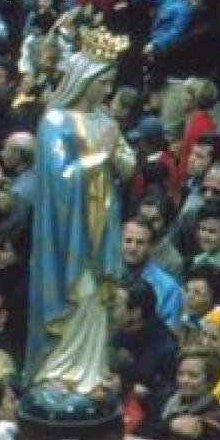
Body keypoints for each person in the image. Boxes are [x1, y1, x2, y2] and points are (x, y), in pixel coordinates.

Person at [28, 22, 134, 360]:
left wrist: (115, 153)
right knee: (79, 292)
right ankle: (62, 365)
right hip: (68, 226)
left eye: (110, 84)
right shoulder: (56, 121)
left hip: (103, 220)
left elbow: (129, 167)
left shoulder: (105, 120)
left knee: (96, 297)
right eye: (102, 83)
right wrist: (100, 155)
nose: (107, 91)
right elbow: (59, 176)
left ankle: (91, 367)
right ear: (84, 80)